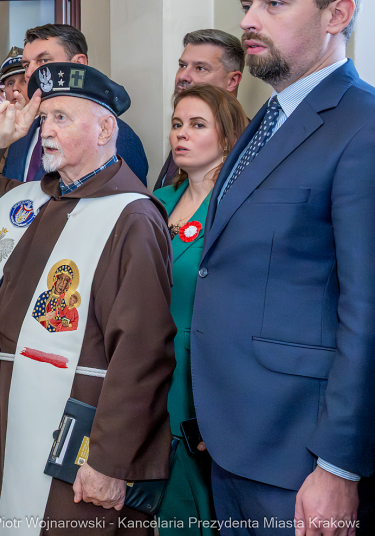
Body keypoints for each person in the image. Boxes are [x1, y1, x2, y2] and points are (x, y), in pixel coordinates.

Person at [0, 62, 175, 536]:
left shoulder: (132, 218)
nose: (45, 131)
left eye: (61, 118)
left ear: (105, 129)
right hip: (10, 407)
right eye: (44, 119)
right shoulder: (27, 203)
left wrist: (110, 460)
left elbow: (143, 352)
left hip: (81, 420)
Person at [193, 0, 375, 533]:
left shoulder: (362, 126)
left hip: (300, 453)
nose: (249, 20)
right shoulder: (269, 117)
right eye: (247, 5)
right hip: (234, 435)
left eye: (274, 4)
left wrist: (339, 464)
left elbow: (367, 309)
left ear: (337, 15)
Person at [152, 85, 247, 535]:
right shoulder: (158, 201)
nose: (181, 134)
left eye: (197, 125)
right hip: (147, 366)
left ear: (227, 138)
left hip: (200, 374)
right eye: (177, 124)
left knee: (195, 507)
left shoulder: (235, 208)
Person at [3, 24, 150, 185]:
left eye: (44, 60)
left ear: (78, 63)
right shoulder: (23, 132)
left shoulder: (114, 136)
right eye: (26, 65)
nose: (30, 73)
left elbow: (123, 198)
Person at [153, 29, 245, 190]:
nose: (183, 76)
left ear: (232, 81)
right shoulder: (182, 136)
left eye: (200, 68)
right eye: (182, 65)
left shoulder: (250, 145)